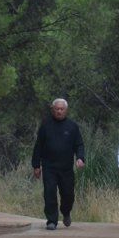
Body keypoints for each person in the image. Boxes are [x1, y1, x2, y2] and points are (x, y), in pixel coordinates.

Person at [32, 98, 86, 230]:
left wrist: (80, 158)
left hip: (66, 168)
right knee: (49, 193)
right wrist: (36, 165)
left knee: (68, 194)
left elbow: (79, 145)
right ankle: (51, 220)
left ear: (66, 111)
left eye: (62, 109)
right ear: (53, 110)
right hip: (49, 166)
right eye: (57, 109)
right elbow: (38, 146)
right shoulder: (45, 125)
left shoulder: (72, 126)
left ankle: (66, 212)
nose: (59, 111)